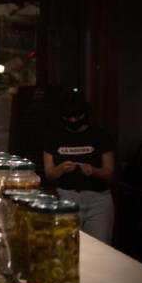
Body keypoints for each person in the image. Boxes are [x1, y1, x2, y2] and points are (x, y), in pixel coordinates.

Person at [43, 90, 115, 243]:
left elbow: (109, 173)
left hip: (98, 200)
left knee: (100, 247)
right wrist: (61, 169)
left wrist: (94, 171)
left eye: (77, 116)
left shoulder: (100, 135)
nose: (73, 120)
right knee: (69, 246)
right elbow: (49, 173)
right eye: (69, 117)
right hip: (67, 197)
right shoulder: (53, 137)